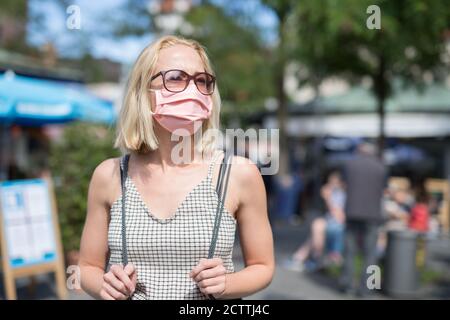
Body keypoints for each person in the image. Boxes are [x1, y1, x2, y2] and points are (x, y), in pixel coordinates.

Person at [78, 36, 274, 300]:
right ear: (142, 90)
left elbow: (263, 267)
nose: (192, 89)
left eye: (202, 80)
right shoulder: (110, 175)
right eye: (175, 78)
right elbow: (86, 267)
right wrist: (104, 285)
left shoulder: (238, 173)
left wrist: (227, 284)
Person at [339, 142, 387, 297]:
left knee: (349, 250)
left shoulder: (349, 164)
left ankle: (347, 285)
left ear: (359, 151)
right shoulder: (381, 167)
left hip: (352, 211)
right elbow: (384, 189)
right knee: (370, 253)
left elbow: (343, 184)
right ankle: (367, 289)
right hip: (372, 214)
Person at [284, 170, 346, 271]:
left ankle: (310, 257)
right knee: (316, 227)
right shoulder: (335, 193)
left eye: (334, 183)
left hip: (338, 225)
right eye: (330, 182)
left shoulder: (341, 195)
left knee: (317, 227)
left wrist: (328, 198)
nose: (331, 185)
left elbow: (339, 216)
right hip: (331, 224)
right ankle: (305, 257)